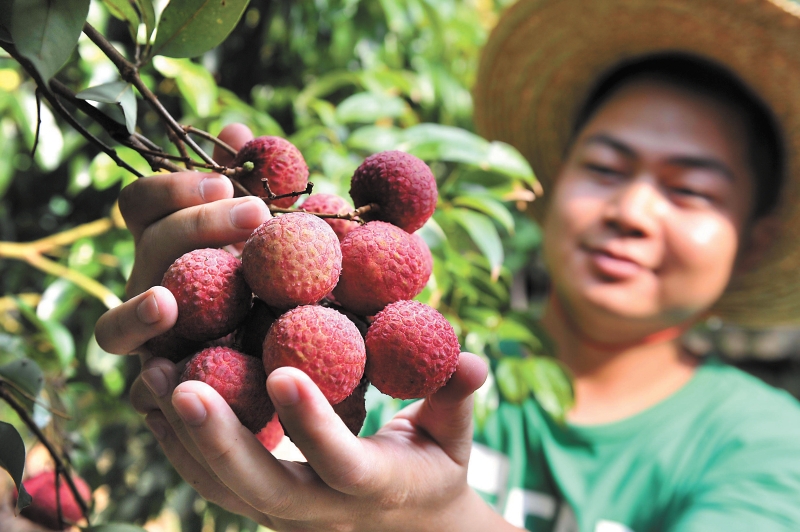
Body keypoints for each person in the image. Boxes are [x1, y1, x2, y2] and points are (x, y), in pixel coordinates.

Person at [95, 0, 800, 530]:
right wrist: (204, 344)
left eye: (689, 190)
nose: (633, 212)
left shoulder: (768, 449)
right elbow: (294, 452)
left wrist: (434, 516)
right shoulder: (394, 364)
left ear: (756, 238)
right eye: (608, 167)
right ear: (553, 185)